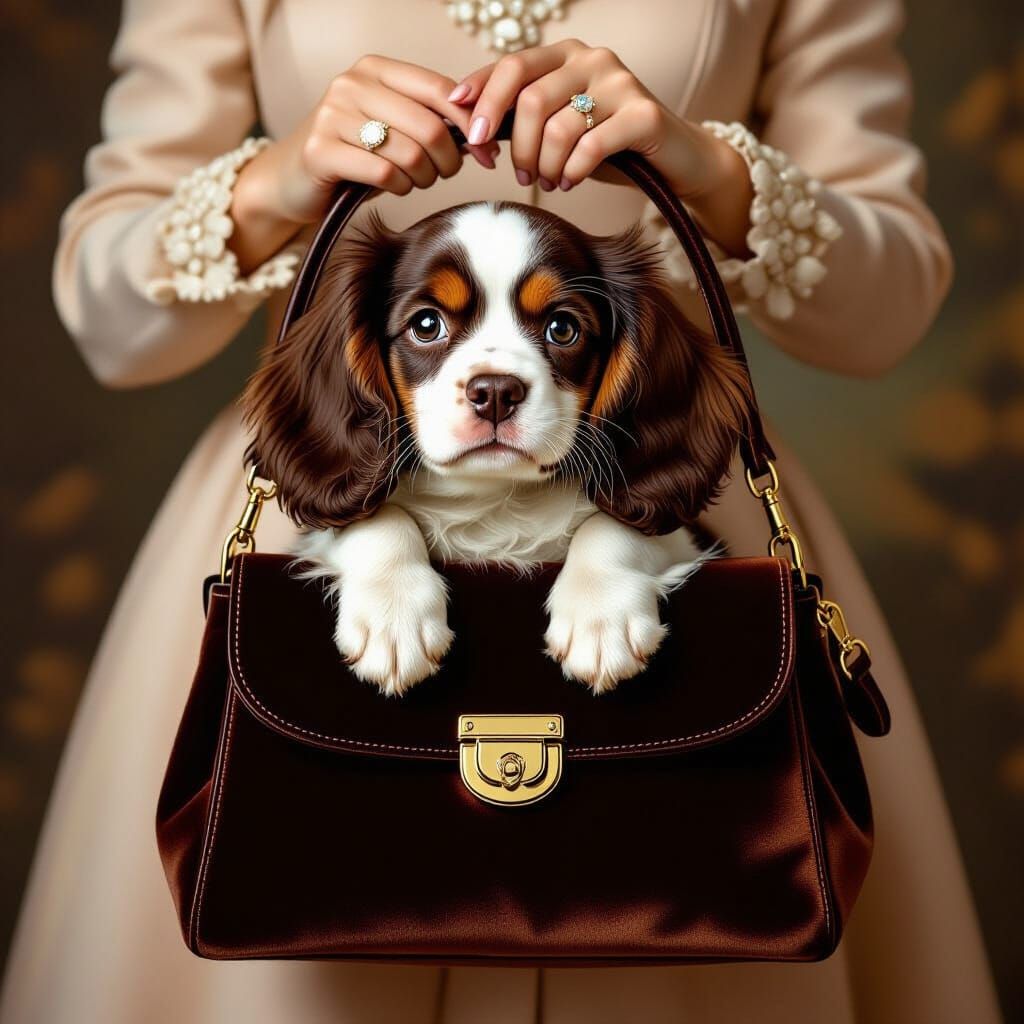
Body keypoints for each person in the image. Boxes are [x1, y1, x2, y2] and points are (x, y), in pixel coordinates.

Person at [0, 1, 1004, 1021]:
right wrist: (284, 176)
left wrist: (703, 164)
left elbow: (889, 313)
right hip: (332, 500)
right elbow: (109, 325)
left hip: (667, 490)